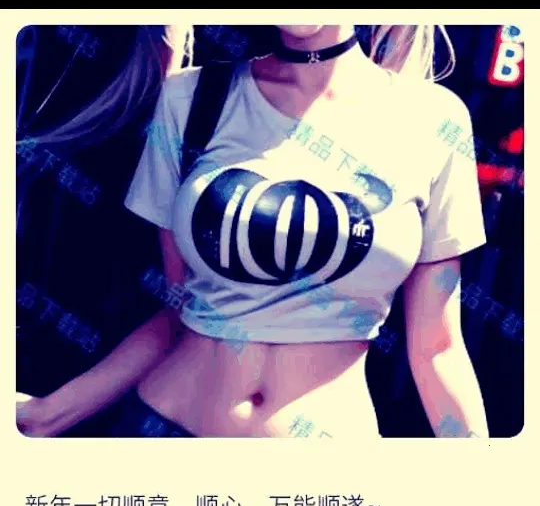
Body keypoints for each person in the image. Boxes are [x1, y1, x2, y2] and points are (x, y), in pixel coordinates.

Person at [16, 24, 489, 438]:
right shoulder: (192, 98)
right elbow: (181, 309)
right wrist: (47, 414)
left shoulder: (433, 121)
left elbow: (437, 349)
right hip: (163, 435)